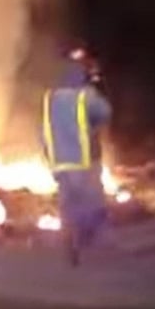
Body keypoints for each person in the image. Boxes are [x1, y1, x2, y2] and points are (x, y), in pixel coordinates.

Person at [40, 55, 112, 266]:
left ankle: (70, 244)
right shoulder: (85, 96)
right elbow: (105, 113)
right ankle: (92, 245)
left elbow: (42, 132)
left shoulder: (49, 99)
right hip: (84, 161)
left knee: (68, 206)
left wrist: (48, 157)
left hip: (59, 162)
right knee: (91, 202)